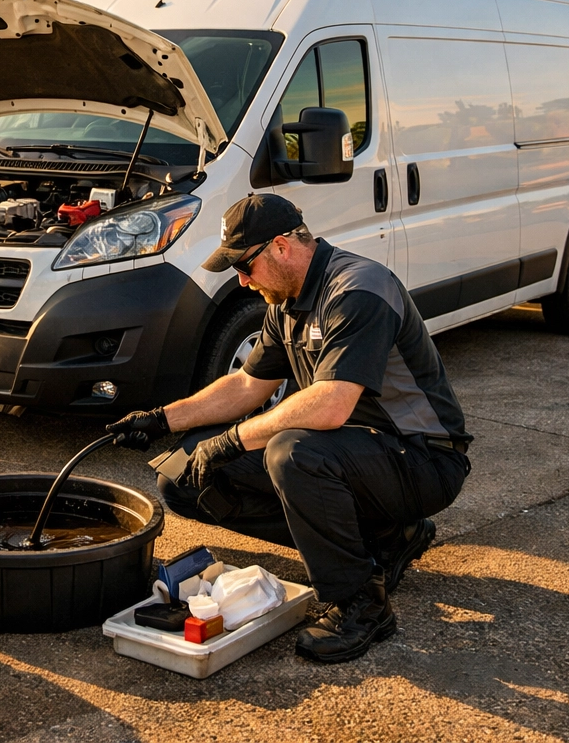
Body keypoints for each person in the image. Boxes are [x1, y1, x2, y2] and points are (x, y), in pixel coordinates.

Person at [108, 195, 472, 663]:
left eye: (245, 266)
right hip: (352, 456)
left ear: (281, 246)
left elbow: (331, 405)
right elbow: (245, 384)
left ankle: (362, 603)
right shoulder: (286, 300)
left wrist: (232, 439)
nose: (241, 280)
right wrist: (161, 418)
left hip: (421, 460)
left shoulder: (357, 290)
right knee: (184, 477)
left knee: (293, 453)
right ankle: (383, 540)